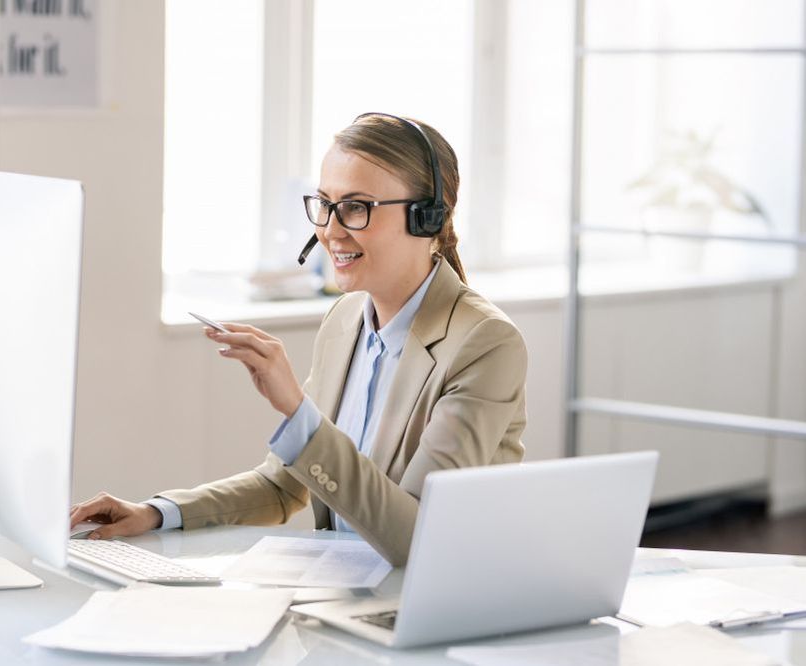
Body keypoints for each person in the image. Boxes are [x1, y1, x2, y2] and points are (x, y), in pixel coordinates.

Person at [70, 113, 527, 566]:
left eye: (356, 207)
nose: (329, 230)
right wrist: (155, 513)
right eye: (325, 205)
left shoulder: (483, 344)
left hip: (436, 604)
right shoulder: (345, 321)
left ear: (427, 218)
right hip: (354, 597)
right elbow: (283, 486)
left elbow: (416, 538)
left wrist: (297, 411)